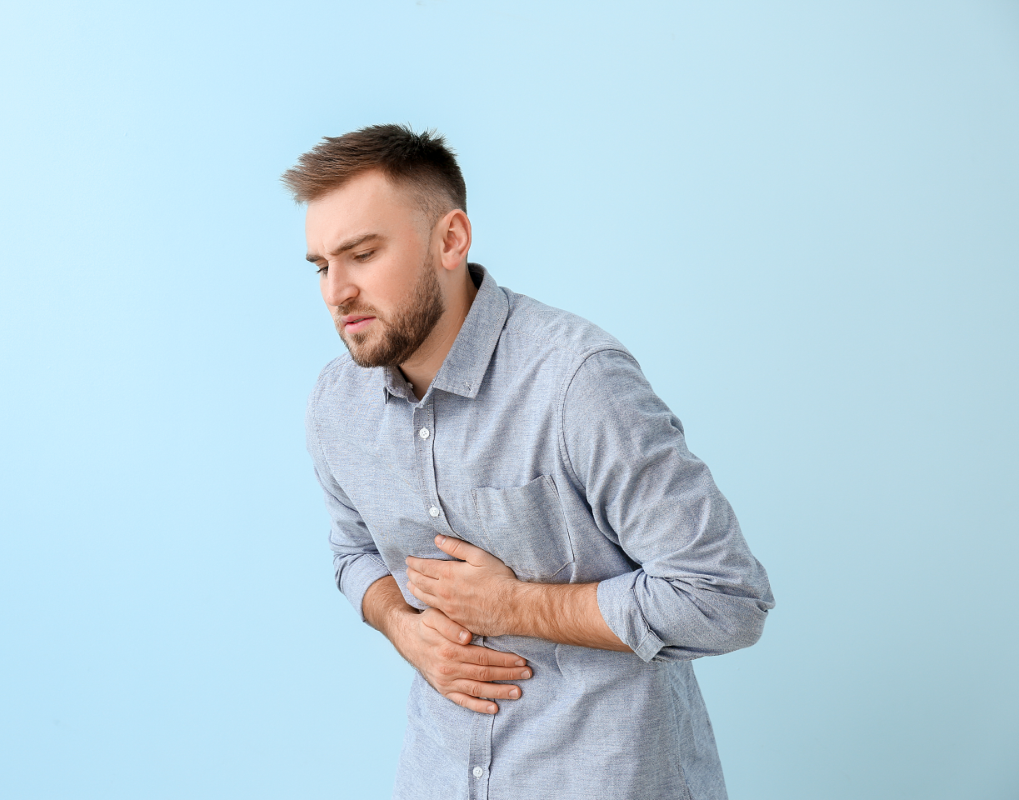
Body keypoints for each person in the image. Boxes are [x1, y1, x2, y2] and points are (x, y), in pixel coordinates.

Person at [285, 124, 774, 800]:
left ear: (451, 240)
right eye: (319, 266)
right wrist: (404, 627)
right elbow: (352, 553)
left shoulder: (577, 382)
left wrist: (516, 604)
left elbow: (724, 598)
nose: (335, 292)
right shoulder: (337, 405)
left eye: (362, 254)